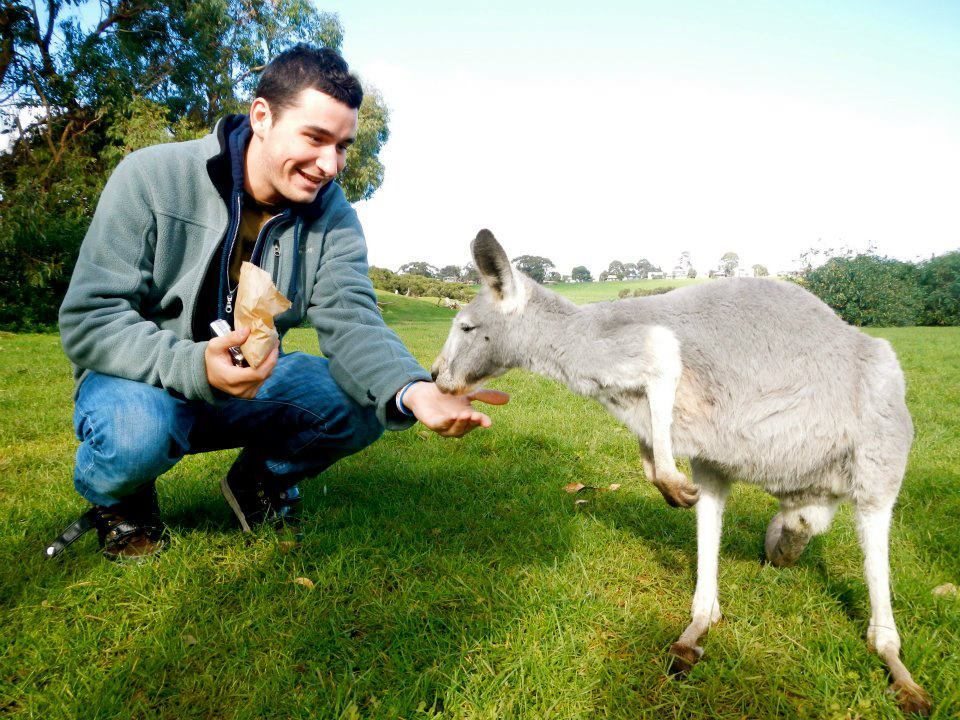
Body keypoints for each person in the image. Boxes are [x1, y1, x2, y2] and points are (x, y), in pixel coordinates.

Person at [51, 44, 506, 561]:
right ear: (262, 116)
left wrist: (412, 391)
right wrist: (193, 363)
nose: (330, 164)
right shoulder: (152, 177)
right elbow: (90, 319)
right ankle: (122, 499)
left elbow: (353, 319)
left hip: (250, 382)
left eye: (343, 145)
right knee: (136, 435)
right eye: (315, 138)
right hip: (143, 379)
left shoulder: (333, 217)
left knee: (360, 401)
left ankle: (257, 482)